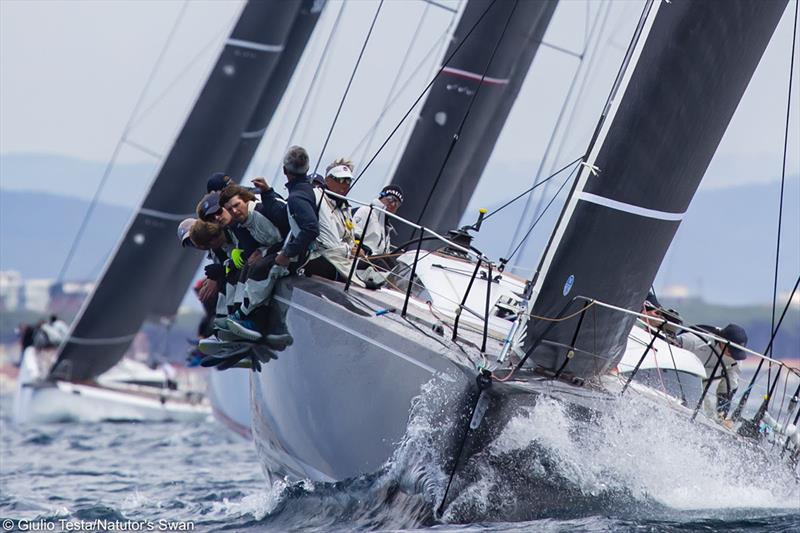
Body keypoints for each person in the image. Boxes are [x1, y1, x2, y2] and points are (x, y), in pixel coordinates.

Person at [303, 159, 362, 282]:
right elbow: (329, 242)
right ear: (328, 180)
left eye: (348, 180)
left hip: (341, 258)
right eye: (340, 180)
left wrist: (355, 249)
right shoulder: (317, 197)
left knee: (375, 265)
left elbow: (349, 238)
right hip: (318, 256)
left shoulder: (345, 208)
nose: (345, 184)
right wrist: (349, 250)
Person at [676, 323, 748, 418]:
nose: (734, 355)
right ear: (722, 341)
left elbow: (730, 384)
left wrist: (722, 413)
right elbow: (669, 344)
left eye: (738, 352)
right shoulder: (695, 340)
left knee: (709, 416)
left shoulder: (735, 359)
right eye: (732, 351)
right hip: (678, 373)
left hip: (700, 382)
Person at [353, 184, 403, 260]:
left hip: (373, 264)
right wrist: (364, 250)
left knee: (392, 265)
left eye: (397, 204)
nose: (393, 204)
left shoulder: (387, 228)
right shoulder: (366, 211)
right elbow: (353, 233)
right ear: (382, 196)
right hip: (360, 258)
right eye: (391, 199)